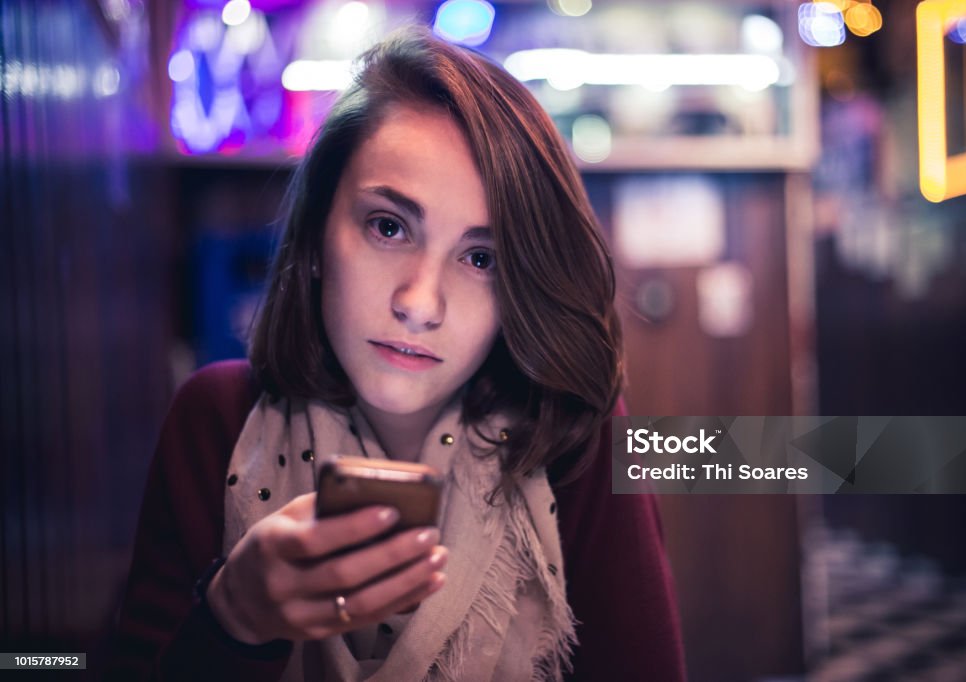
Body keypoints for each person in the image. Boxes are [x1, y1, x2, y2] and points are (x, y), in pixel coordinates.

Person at [106, 27, 685, 681]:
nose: (420, 302)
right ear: (318, 237)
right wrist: (235, 616)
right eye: (388, 226)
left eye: (480, 258)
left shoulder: (578, 440)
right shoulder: (215, 418)